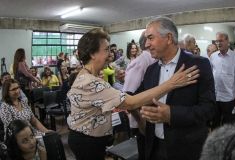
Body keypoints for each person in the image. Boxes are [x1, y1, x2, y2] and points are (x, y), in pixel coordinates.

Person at [67, 28, 200, 160]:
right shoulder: (91, 83)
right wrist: (172, 83)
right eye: (106, 50)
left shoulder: (87, 76)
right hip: (87, 140)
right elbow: (132, 102)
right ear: (92, 53)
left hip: (87, 137)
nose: (110, 54)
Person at [131, 16, 216, 160]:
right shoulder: (151, 69)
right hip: (154, 147)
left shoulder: (198, 65)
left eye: (151, 38)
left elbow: (209, 108)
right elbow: (137, 97)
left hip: (186, 148)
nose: (146, 44)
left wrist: (172, 114)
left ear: (169, 38)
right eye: (146, 39)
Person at [122, 30, 156, 160]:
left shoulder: (155, 60)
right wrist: (141, 122)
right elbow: (128, 97)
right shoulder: (140, 63)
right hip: (143, 122)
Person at [210, 31, 235, 130]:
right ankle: (214, 143)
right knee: (215, 122)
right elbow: (210, 75)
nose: (218, 43)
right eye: (217, 41)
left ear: (227, 41)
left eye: (221, 41)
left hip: (228, 97)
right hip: (215, 96)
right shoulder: (213, 57)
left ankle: (227, 143)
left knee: (228, 124)